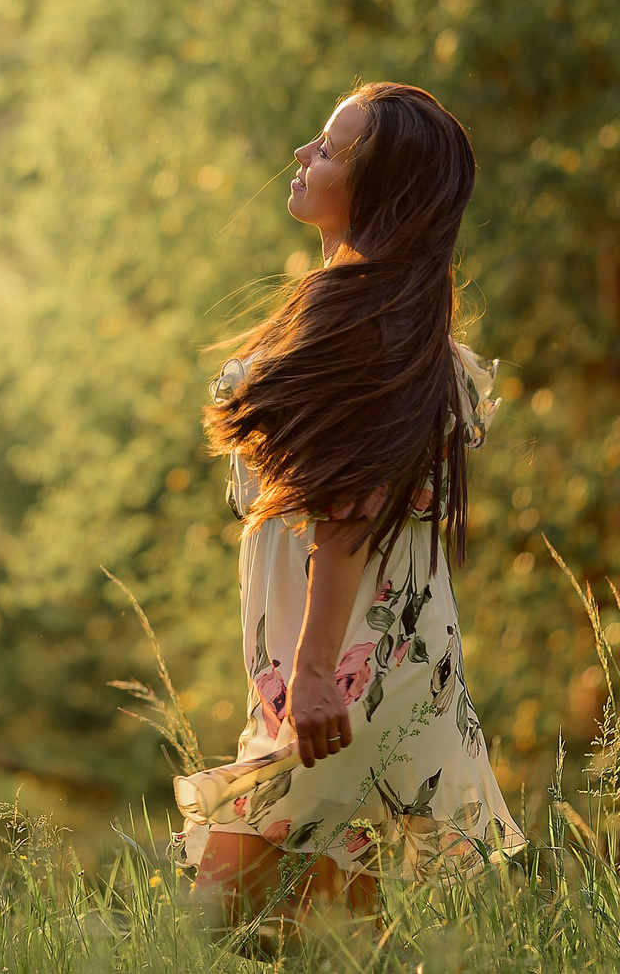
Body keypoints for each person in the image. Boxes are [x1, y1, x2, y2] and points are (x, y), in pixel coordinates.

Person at [176, 81, 523, 916]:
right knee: (333, 937)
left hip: (348, 675)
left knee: (228, 928)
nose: (303, 155)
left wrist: (315, 670)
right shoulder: (378, 320)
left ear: (377, 192)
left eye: (328, 150)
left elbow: (349, 510)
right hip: (371, 668)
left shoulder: (362, 330)